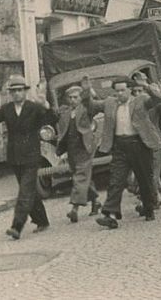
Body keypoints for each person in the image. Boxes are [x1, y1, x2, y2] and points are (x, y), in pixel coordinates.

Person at [0, 75, 56, 240]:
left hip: (32, 156)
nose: (17, 94)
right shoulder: (7, 109)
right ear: (10, 93)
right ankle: (42, 221)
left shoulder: (34, 107)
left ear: (25, 92)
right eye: (13, 91)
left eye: (20, 90)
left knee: (25, 192)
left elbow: (51, 119)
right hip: (15, 157)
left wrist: (46, 105)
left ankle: (17, 226)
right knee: (29, 191)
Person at [88, 76, 161, 229]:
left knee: (144, 179)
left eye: (122, 90)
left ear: (130, 90)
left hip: (139, 144)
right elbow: (92, 106)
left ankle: (148, 207)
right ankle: (110, 215)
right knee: (115, 181)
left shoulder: (140, 100)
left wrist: (148, 86)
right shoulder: (110, 103)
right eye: (116, 91)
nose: (119, 94)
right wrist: (87, 91)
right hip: (120, 146)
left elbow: (158, 101)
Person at [56, 85, 101, 223]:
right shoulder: (66, 111)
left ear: (81, 98)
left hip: (84, 149)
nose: (72, 100)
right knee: (82, 176)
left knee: (79, 177)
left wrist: (89, 90)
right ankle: (95, 201)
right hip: (71, 150)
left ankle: (74, 209)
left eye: (75, 97)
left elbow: (92, 103)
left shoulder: (86, 109)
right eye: (70, 97)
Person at [132, 78, 161, 213]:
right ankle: (156, 196)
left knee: (153, 174)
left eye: (141, 90)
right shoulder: (131, 106)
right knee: (139, 174)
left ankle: (146, 201)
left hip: (154, 142)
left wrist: (160, 93)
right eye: (135, 91)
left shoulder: (152, 104)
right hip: (138, 143)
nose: (138, 93)